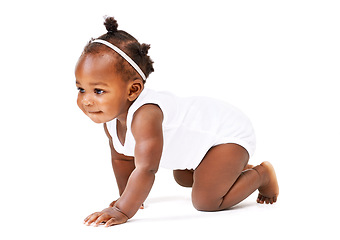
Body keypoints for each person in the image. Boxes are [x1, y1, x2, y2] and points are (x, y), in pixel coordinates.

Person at [75, 16, 279, 227]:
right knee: (183, 179)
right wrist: (128, 196)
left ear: (133, 90)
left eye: (98, 91)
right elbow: (123, 160)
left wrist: (122, 209)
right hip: (202, 145)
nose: (87, 100)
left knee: (206, 200)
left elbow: (146, 169)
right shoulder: (111, 119)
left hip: (226, 134)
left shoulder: (146, 115)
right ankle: (234, 169)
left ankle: (261, 174)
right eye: (81, 89)